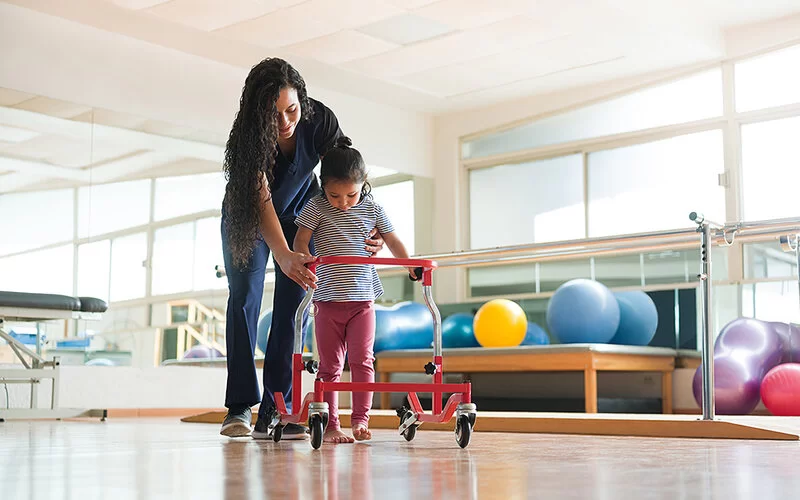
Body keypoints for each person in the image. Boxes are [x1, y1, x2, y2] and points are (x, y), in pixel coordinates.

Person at [219, 58, 384, 439]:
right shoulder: (249, 139)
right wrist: (282, 252)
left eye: (291, 109)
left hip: (302, 213)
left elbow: (347, 172)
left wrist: (368, 224)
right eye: (273, 114)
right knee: (245, 297)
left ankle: (278, 407)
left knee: (295, 303)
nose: (285, 121)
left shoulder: (318, 120)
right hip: (248, 217)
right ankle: (241, 405)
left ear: (302, 102)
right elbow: (260, 201)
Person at [294, 136, 417, 443]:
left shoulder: (374, 208)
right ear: (323, 187)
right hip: (327, 302)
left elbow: (393, 241)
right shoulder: (317, 206)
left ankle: (361, 420)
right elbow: (300, 238)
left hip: (362, 301)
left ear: (363, 184)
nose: (343, 202)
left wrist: (410, 265)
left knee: (363, 360)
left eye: (351, 194)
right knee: (330, 366)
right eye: (335, 195)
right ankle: (331, 423)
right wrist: (302, 259)